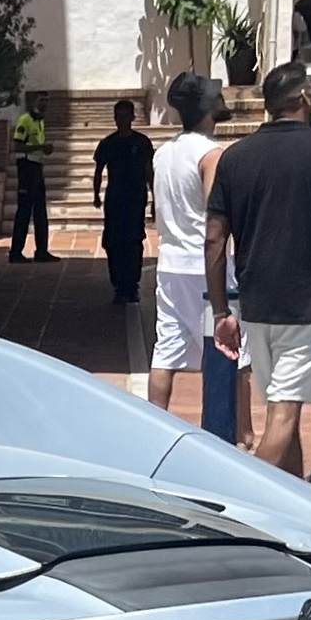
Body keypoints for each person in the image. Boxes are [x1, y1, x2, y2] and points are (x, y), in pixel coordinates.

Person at [205, 62, 311, 478]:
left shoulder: (234, 158)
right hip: (307, 304)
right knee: (283, 417)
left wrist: (219, 312)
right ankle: (241, 498)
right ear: (305, 97)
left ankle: (295, 500)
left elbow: (214, 239)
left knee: (283, 408)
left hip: (256, 303)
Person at [145, 71, 254, 448]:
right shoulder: (211, 155)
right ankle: (240, 435)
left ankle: (154, 430)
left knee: (166, 350)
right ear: (209, 109)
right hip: (206, 267)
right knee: (233, 351)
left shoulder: (163, 153)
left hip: (170, 262)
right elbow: (216, 212)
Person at [93, 98, 155, 304]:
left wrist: (155, 198)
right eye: (118, 117)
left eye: (125, 116)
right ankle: (119, 285)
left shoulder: (142, 142)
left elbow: (149, 172)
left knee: (134, 240)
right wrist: (96, 194)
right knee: (113, 241)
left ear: (132, 117)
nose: (121, 120)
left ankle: (132, 285)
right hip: (115, 199)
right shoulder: (108, 143)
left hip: (136, 198)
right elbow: (98, 170)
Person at [9, 92, 56, 263]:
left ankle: (42, 251)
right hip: (27, 168)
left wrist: (42, 151)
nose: (44, 103)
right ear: (33, 102)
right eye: (41, 100)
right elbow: (17, 146)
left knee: (40, 211)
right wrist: (40, 147)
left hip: (37, 168)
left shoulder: (40, 121)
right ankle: (15, 252)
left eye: (47, 100)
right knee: (24, 211)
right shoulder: (25, 120)